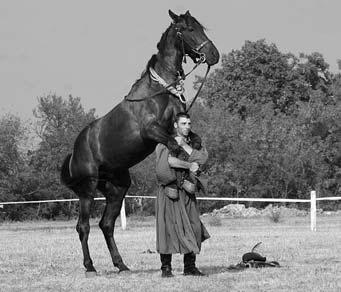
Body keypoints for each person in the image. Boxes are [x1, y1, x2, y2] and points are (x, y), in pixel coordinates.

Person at [155, 112, 210, 278]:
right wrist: (188, 165)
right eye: (183, 123)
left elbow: (202, 158)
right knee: (167, 229)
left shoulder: (193, 143)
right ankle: (166, 268)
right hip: (169, 193)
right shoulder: (165, 143)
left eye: (189, 124)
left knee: (193, 227)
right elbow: (168, 161)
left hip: (187, 192)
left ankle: (190, 267)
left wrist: (185, 147)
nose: (187, 127)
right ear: (175, 125)